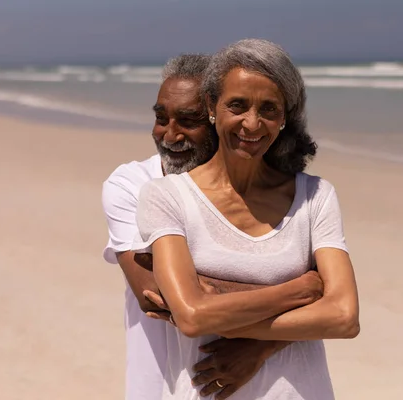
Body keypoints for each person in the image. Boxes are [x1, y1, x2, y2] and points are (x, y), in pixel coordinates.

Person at [134, 39, 360, 399]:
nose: (252, 123)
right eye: (237, 105)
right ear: (212, 106)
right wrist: (300, 291)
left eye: (269, 109)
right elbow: (192, 316)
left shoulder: (316, 196)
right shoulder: (167, 196)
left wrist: (247, 334)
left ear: (285, 117)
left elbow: (344, 317)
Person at [101, 54, 299, 400]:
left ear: (217, 118)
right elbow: (158, 297)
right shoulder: (132, 184)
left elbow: (336, 305)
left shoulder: (271, 192)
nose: (169, 134)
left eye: (188, 120)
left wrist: (260, 348)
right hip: (161, 385)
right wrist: (296, 292)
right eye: (161, 118)